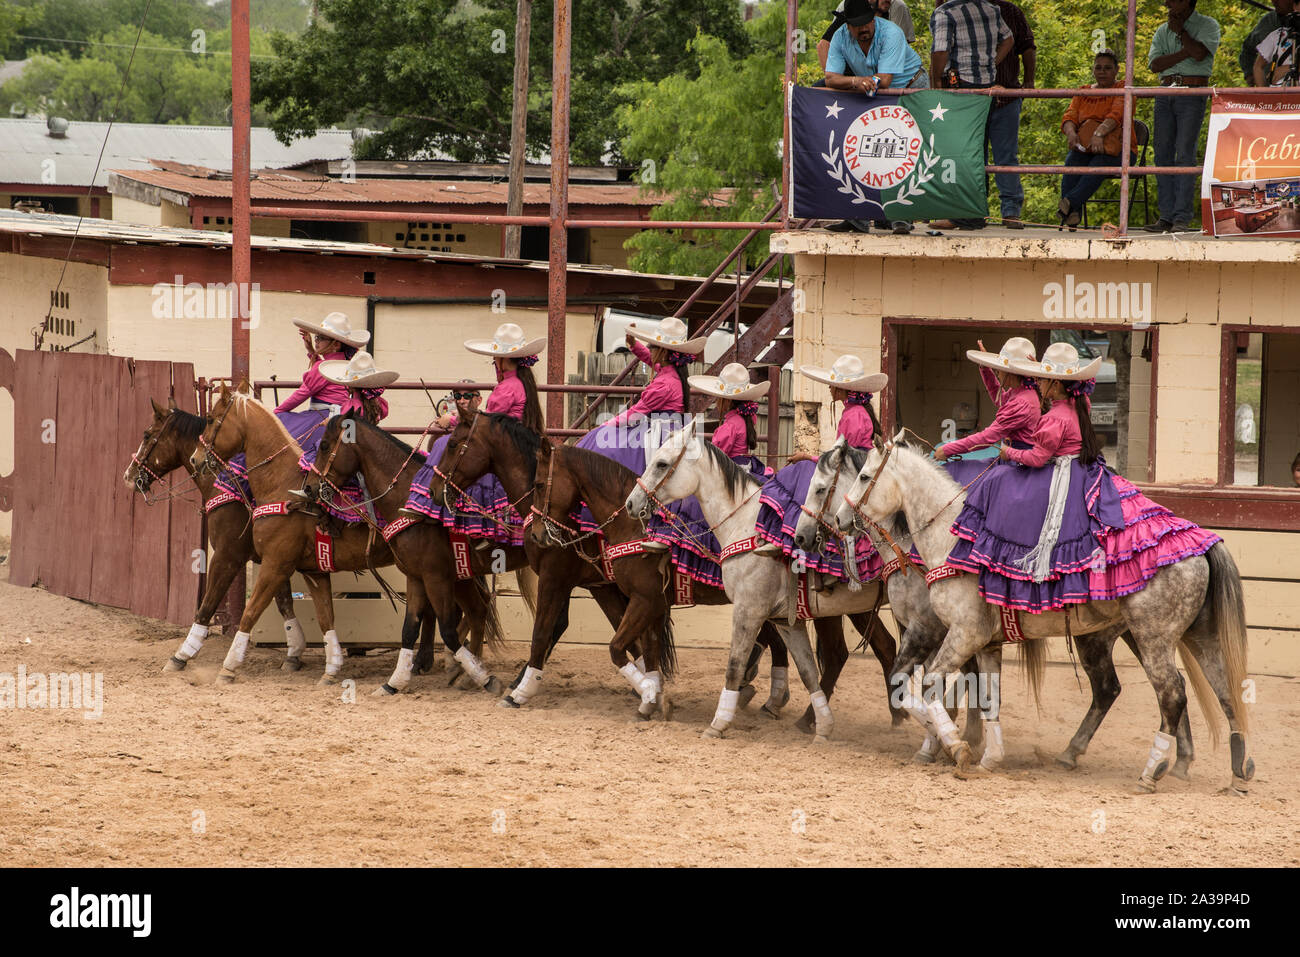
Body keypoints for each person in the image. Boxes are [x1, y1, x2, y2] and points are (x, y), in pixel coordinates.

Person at [945, 342, 1222, 610]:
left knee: (1013, 494)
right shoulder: (1080, 403)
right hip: (1083, 469)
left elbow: (1038, 458)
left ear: (1055, 385)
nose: (1037, 382)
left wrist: (1009, 454)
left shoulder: (1055, 418)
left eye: (1042, 379)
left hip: (1062, 473)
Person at [401, 322, 545, 539]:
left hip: (500, 444)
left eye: (496, 358)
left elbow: (483, 423)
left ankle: (430, 507)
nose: (495, 363)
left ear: (503, 359)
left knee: (443, 444)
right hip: (512, 443)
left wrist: (450, 420)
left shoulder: (506, 388)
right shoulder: (521, 383)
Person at [577, 317, 706, 551]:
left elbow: (636, 414)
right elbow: (652, 361)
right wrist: (634, 345)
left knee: (605, 445)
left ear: (665, 353)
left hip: (658, 432)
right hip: (666, 427)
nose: (651, 350)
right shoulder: (672, 373)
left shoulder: (664, 384)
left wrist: (605, 426)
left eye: (654, 346)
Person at [753, 355, 886, 578]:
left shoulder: (853, 415)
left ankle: (785, 538)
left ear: (844, 390)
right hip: (851, 468)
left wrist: (807, 457)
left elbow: (841, 457)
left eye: (833, 386)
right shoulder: (857, 412)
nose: (830, 389)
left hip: (850, 472)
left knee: (796, 475)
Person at [822, 0, 929, 236]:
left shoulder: (892, 33)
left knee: (902, 150)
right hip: (872, 92)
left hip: (910, 88)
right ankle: (857, 218)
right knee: (863, 150)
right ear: (847, 25)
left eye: (867, 22)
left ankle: (902, 217)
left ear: (874, 18)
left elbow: (886, 79)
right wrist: (855, 81)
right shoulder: (840, 37)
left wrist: (863, 82)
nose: (864, 28)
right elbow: (830, 78)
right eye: (857, 25)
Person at [929, 0, 1013, 230]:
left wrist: (936, 80)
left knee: (959, 151)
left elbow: (940, 50)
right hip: (985, 87)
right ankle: (973, 212)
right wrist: (990, 65)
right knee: (977, 150)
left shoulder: (946, 12)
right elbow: (1008, 39)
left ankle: (965, 214)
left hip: (960, 87)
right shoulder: (990, 8)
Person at [1144, 0, 1220, 234]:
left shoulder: (1208, 24)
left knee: (1185, 152)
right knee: (1162, 152)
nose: (1167, 4)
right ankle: (1166, 217)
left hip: (1193, 92)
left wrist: (1182, 34)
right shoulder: (1161, 30)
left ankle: (1181, 218)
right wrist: (1185, 51)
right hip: (1165, 92)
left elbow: (1199, 54)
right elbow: (1155, 65)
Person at [933, 336, 1041, 480]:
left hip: (1018, 466)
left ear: (1010, 373)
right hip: (1011, 459)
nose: (997, 371)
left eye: (999, 369)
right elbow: (1001, 398)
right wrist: (985, 367)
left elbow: (988, 437)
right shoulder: (1021, 392)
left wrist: (948, 449)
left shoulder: (1022, 402)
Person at [1057, 51, 1135, 229]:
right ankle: (1073, 213)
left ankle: (1069, 204)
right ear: (1093, 70)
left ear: (1117, 70)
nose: (1102, 72)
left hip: (1119, 149)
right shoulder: (1083, 91)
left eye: (1108, 68)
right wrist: (1071, 133)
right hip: (1087, 147)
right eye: (1098, 67)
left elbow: (1117, 114)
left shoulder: (1123, 89)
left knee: (1099, 163)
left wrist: (1099, 134)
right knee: (1072, 160)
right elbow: (1070, 116)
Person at [985, 0, 1034, 229]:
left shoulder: (1012, 11)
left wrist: (1029, 82)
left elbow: (1027, 46)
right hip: (972, 99)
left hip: (1007, 95)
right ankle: (974, 210)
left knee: (1007, 156)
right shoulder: (964, 9)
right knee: (974, 156)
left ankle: (1011, 211)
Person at [1240, 0, 1290, 84]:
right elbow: (1248, 50)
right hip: (1271, 90)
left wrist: (1290, 68)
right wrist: (1250, 74)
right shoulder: (1268, 22)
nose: (1274, 1)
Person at [1254, 5, 1297, 86]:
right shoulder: (1278, 35)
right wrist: (1264, 96)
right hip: (1281, 92)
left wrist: (1289, 68)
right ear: (1294, 6)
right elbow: (1258, 67)